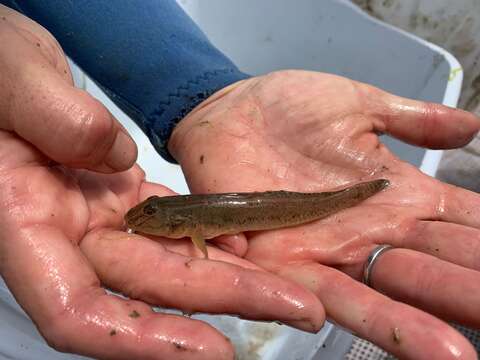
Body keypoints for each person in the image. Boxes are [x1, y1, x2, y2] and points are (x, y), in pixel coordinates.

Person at [0, 1, 479, 360]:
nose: (145, 219)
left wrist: (197, 88)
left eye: (151, 220)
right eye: (148, 220)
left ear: (177, 227)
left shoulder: (187, 223)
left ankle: (364, 193)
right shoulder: (176, 219)